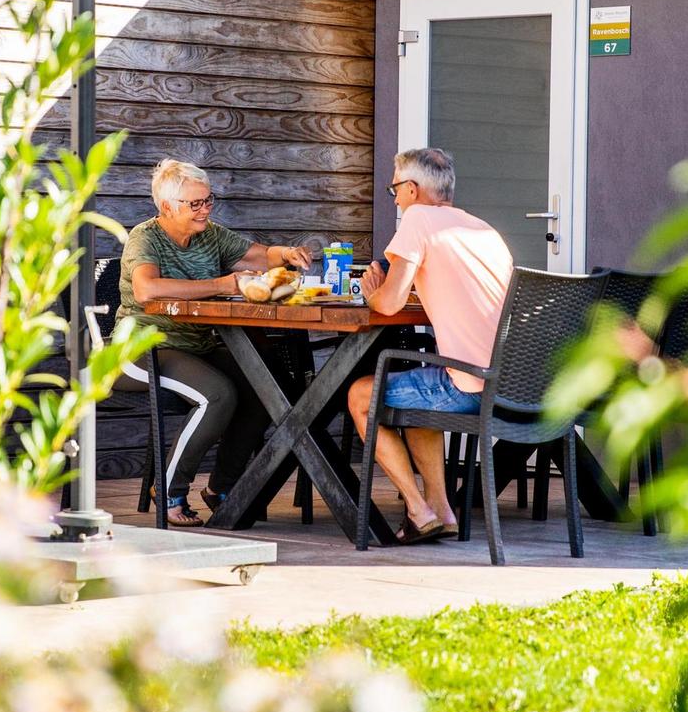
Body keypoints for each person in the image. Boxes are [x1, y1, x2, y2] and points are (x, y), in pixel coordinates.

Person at [115, 158, 313, 527]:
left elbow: (257, 254)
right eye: (195, 204)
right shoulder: (145, 237)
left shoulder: (210, 234)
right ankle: (170, 490)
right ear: (167, 207)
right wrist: (221, 285)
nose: (205, 209)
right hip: (140, 348)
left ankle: (223, 489)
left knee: (263, 387)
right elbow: (147, 289)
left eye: (208, 200)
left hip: (194, 345)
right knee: (217, 393)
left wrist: (285, 253)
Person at [348, 148, 514, 544]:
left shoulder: (418, 218)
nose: (396, 199)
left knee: (360, 394)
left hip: (473, 385)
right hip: (516, 385)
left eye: (395, 190)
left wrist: (372, 292)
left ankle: (418, 510)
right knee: (420, 388)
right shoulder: (481, 229)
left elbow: (389, 304)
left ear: (411, 188)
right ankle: (442, 511)